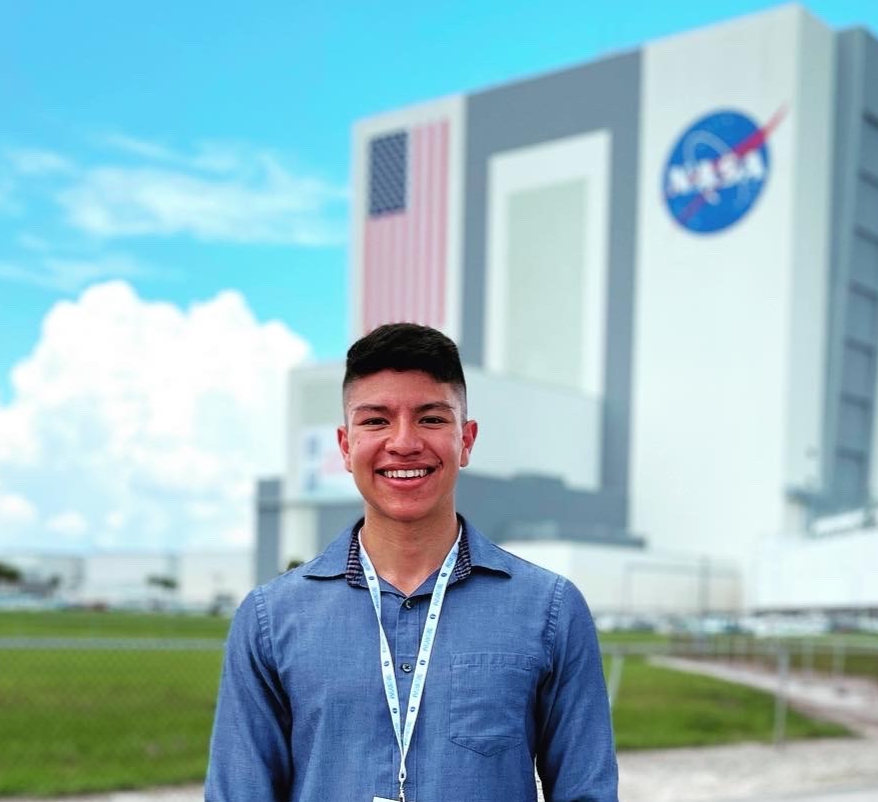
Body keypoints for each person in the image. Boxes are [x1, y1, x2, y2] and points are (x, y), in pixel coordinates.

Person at [205, 323, 619, 802]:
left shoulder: (549, 609)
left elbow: (586, 792)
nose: (403, 442)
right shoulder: (269, 619)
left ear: (466, 440)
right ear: (345, 445)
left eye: (431, 419)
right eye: (376, 421)